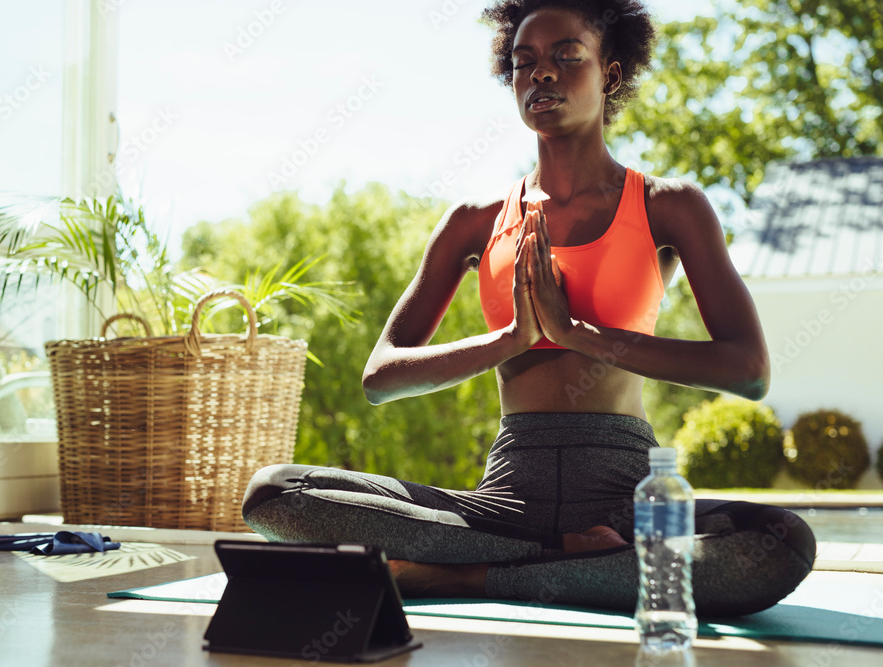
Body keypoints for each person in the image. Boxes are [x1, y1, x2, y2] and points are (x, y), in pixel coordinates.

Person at [242, 0, 815, 616]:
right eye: (524, 62)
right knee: (276, 495)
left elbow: (749, 371)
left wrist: (578, 335)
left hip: (626, 494)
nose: (541, 75)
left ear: (611, 74)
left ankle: (465, 577)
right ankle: (571, 557)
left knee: (778, 544)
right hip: (507, 500)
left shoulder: (670, 207)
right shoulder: (473, 222)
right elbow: (380, 378)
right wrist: (513, 338)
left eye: (567, 57)